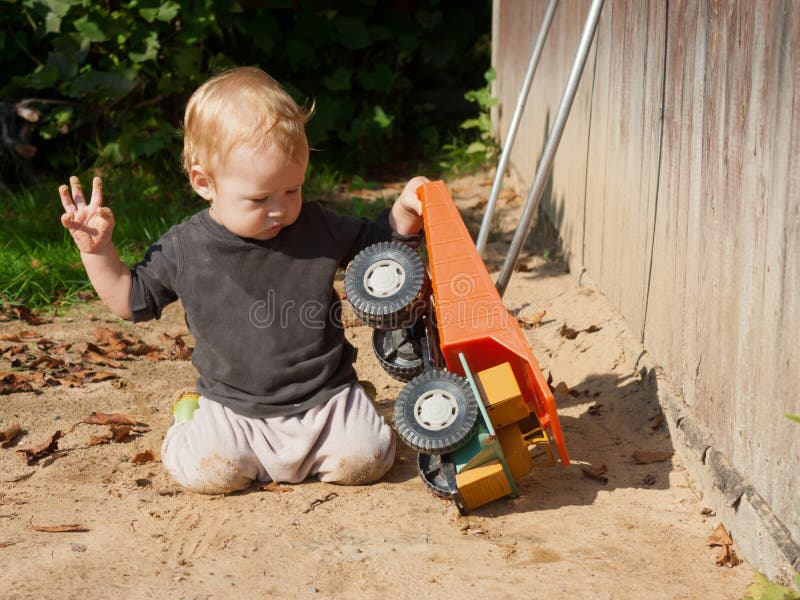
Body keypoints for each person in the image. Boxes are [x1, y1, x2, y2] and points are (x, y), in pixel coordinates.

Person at [58, 66, 427, 494]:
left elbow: (378, 247)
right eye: (259, 198)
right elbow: (130, 299)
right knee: (210, 472)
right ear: (204, 183)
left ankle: (348, 416)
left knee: (369, 458)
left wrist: (404, 211)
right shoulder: (186, 247)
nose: (280, 209)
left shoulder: (316, 226)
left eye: (293, 190)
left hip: (323, 396)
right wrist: (97, 251)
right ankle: (187, 424)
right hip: (233, 406)